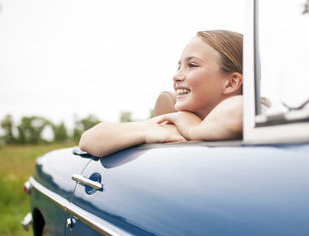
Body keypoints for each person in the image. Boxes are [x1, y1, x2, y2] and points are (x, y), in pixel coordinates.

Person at [79, 30, 244, 157]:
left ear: (231, 82)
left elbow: (239, 112)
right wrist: (148, 133)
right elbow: (89, 139)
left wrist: (192, 131)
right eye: (179, 67)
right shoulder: (178, 120)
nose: (177, 76)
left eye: (192, 65)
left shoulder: (247, 113)